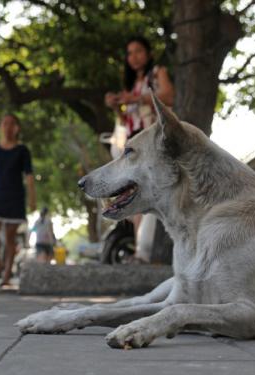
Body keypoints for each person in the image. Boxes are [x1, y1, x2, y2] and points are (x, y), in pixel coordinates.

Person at [104, 35, 174, 263]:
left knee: (151, 192)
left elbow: (169, 95)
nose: (133, 57)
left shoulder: (157, 73)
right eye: (130, 53)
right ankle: (140, 252)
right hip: (134, 141)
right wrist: (117, 106)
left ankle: (147, 251)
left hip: (153, 140)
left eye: (138, 51)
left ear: (149, 53)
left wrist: (134, 98)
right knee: (135, 195)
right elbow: (126, 121)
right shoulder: (132, 84)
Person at [0, 114, 36, 286]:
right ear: (0, 127)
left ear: (17, 128)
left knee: (10, 239)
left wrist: (32, 199)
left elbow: (29, 176)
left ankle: (6, 275)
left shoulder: (22, 151)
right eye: (5, 123)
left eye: (12, 124)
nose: (8, 127)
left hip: (15, 199)